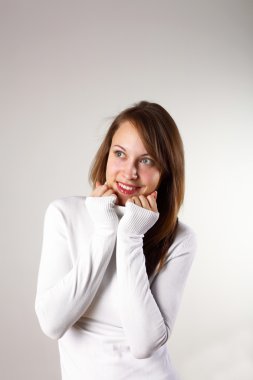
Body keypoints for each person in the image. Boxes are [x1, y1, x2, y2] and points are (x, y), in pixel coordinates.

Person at [35, 100, 197, 380]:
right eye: (120, 153)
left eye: (146, 160)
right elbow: (52, 323)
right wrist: (105, 232)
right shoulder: (64, 214)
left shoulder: (179, 238)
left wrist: (131, 235)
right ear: (106, 154)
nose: (129, 172)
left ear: (166, 172)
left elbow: (144, 343)